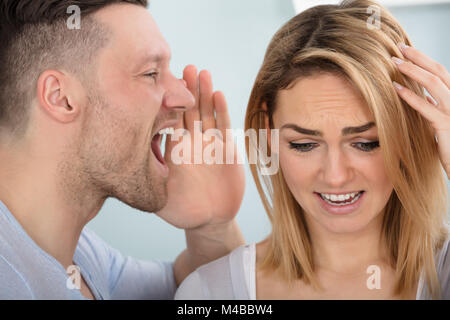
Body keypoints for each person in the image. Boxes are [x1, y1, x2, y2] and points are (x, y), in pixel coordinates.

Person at [175, 0, 450, 300]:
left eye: (366, 143)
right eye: (304, 144)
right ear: (269, 134)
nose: (335, 176)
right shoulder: (209, 293)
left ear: (409, 134)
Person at [0, 0, 246, 299]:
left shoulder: (84, 257)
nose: (184, 97)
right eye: (151, 73)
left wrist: (212, 228)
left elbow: (185, 290)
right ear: (61, 97)